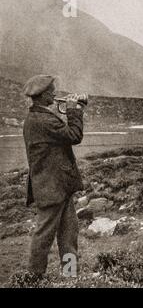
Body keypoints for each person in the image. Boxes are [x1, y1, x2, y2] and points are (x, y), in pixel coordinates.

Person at [22, 75, 84, 279]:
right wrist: (75, 111)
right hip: (52, 187)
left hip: (57, 187)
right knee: (44, 236)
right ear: (42, 96)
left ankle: (70, 275)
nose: (55, 94)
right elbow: (74, 136)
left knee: (69, 234)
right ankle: (33, 278)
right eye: (52, 91)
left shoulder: (37, 118)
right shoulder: (43, 121)